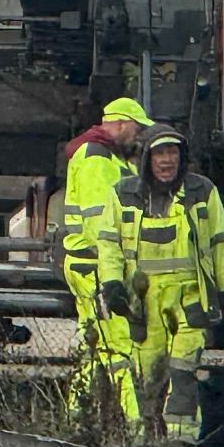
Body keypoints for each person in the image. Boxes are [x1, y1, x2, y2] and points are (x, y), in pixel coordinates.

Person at [97, 123, 224, 443]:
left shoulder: (202, 192)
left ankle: (181, 440)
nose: (166, 160)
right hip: (144, 305)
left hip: (189, 299)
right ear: (146, 158)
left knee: (183, 369)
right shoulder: (123, 194)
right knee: (148, 375)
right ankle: (145, 441)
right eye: (159, 153)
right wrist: (112, 284)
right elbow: (109, 245)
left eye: (172, 152)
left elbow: (220, 242)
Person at [59, 97, 153, 422]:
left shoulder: (108, 157)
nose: (139, 137)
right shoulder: (97, 157)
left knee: (93, 343)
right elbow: (100, 221)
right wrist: (117, 266)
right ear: (123, 124)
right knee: (120, 344)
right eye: (138, 129)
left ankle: (76, 417)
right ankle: (135, 424)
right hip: (97, 265)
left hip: (87, 264)